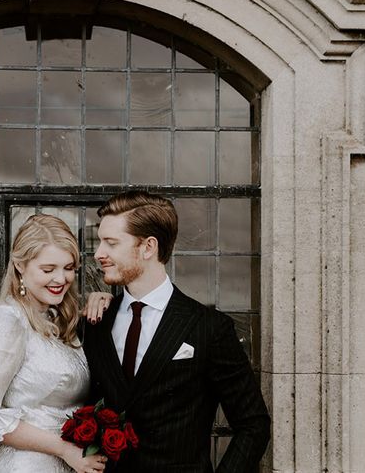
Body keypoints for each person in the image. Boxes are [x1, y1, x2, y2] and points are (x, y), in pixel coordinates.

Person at [83, 191, 270, 472]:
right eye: (100, 242)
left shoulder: (209, 327)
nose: (99, 254)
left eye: (111, 243)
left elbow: (253, 425)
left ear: (148, 247)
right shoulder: (97, 321)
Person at [0, 214, 109, 473]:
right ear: (19, 265)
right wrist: (64, 449)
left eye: (69, 267)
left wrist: (109, 305)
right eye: (48, 270)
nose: (61, 279)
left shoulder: (55, 316)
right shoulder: (7, 320)